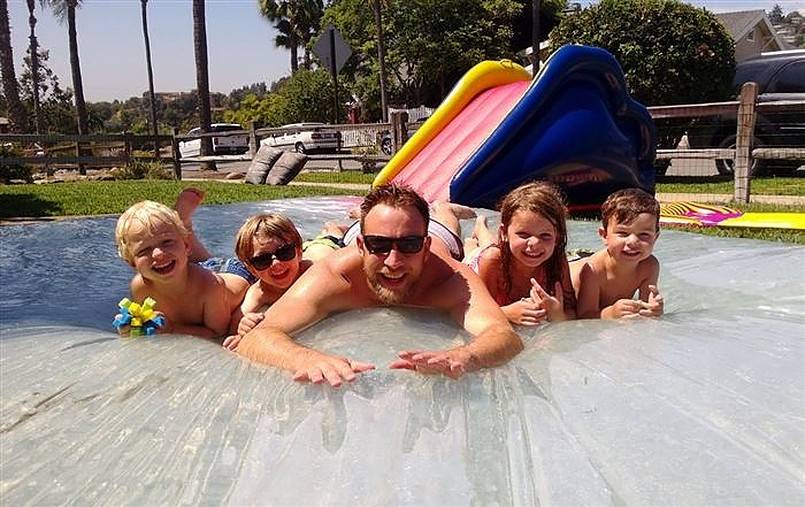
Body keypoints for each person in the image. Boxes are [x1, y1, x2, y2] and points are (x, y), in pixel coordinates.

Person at [236, 184, 524, 386]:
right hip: (362, 232)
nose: (394, 261)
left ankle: (444, 210)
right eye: (379, 245)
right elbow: (257, 338)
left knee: (446, 227)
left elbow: (504, 336)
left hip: (440, 237)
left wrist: (464, 355)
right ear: (362, 246)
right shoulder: (335, 277)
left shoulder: (450, 279)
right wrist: (304, 358)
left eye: (409, 245)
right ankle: (343, 227)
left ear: (423, 248)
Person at [114, 200, 238, 338]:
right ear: (131, 263)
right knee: (196, 261)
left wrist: (173, 329)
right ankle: (183, 226)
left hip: (232, 272)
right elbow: (143, 323)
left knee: (226, 266)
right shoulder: (139, 287)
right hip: (190, 269)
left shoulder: (210, 286)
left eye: (167, 242)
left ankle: (186, 226)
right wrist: (132, 327)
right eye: (144, 250)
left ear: (186, 245)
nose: (158, 254)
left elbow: (218, 332)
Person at [222, 214, 344, 350]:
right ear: (252, 269)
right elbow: (235, 324)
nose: (276, 264)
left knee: (331, 236)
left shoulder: (313, 273)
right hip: (305, 250)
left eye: (284, 253)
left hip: (325, 247)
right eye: (262, 260)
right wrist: (243, 327)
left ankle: (333, 228)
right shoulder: (259, 292)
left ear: (298, 252)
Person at [462, 182, 576, 325]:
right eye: (523, 234)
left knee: (496, 246)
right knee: (480, 250)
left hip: (506, 249)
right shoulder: (492, 261)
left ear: (557, 236)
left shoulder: (557, 260)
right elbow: (478, 311)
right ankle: (475, 231)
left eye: (545, 235)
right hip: (476, 262)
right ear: (504, 232)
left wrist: (558, 314)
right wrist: (507, 313)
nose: (534, 243)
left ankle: (481, 228)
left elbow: (572, 310)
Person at [570, 188, 664, 319]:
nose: (632, 241)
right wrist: (611, 313)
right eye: (623, 233)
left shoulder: (649, 266)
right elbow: (584, 315)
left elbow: (645, 309)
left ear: (655, 237)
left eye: (644, 235)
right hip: (571, 272)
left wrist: (654, 309)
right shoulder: (594, 270)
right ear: (604, 236)